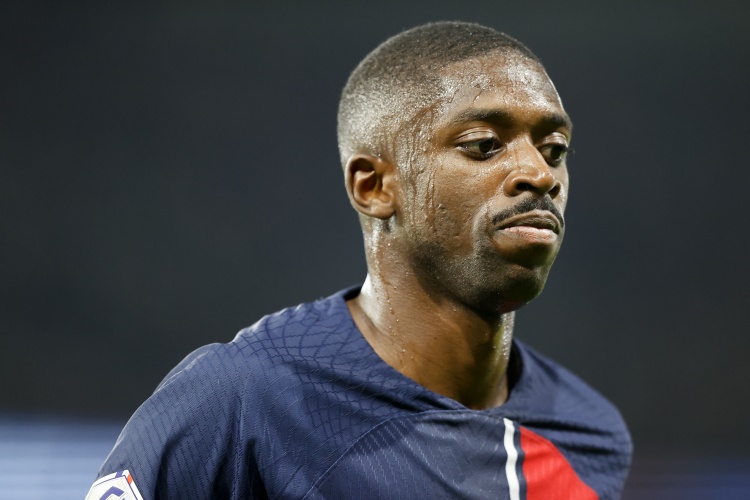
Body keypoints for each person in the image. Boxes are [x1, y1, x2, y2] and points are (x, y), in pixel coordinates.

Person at [87, 21, 632, 500]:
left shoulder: (588, 436)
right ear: (373, 187)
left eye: (554, 149)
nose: (540, 174)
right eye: (484, 144)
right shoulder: (244, 399)